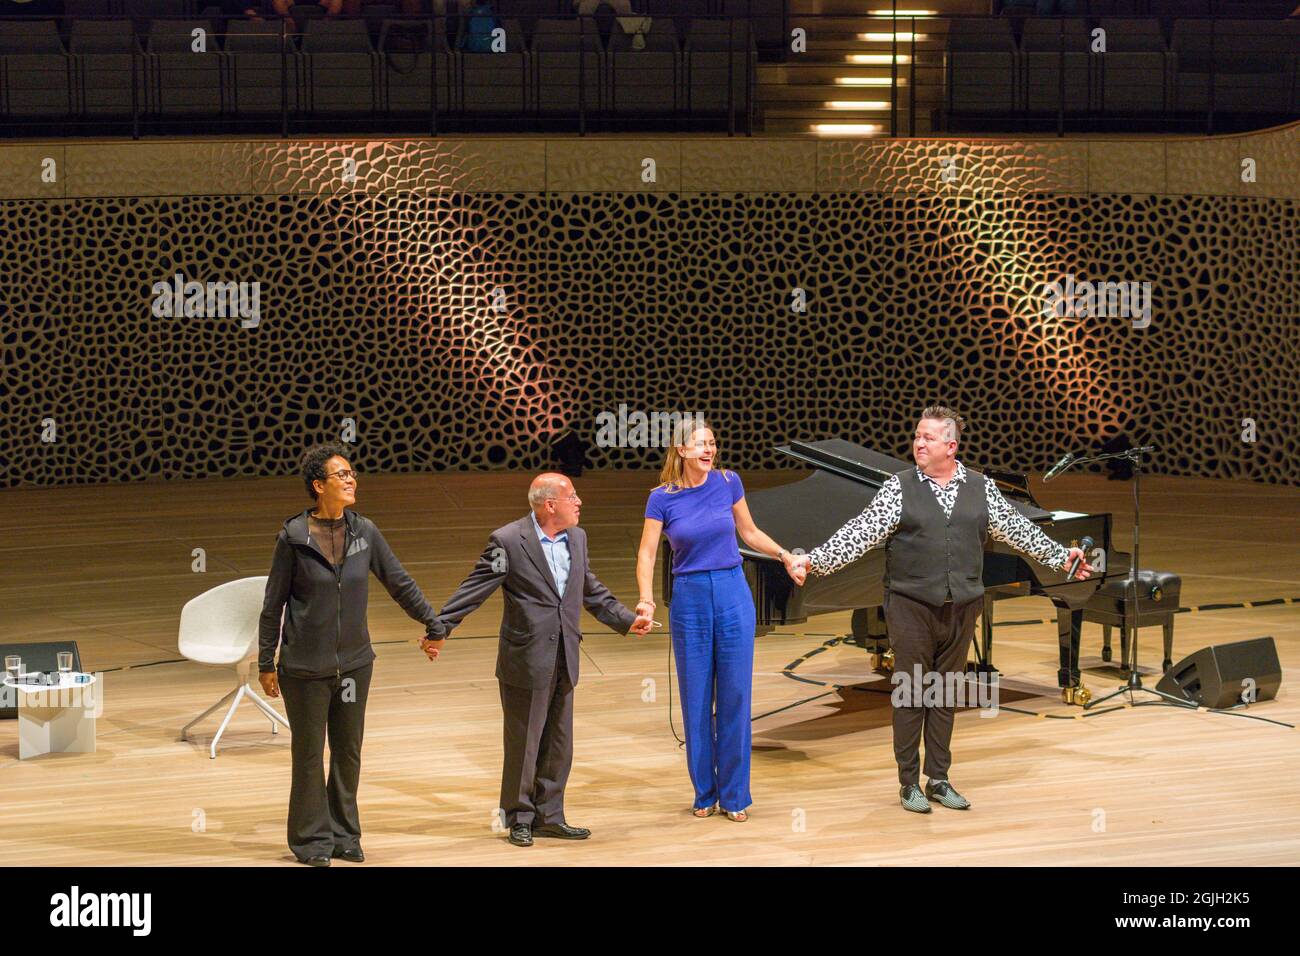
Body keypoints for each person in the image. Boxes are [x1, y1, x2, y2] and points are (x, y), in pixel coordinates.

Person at [790, 406, 1093, 814]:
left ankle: (939, 778)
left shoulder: (981, 488)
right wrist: (816, 560)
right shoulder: (898, 488)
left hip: (963, 605)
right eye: (917, 436)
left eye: (927, 438)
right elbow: (860, 532)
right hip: (911, 606)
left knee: (945, 692)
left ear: (951, 446)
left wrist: (1062, 558)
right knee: (912, 691)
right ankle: (908, 782)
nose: (918, 443)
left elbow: (1020, 532)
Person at [420, 473, 652, 847]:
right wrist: (440, 628)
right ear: (549, 505)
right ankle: (518, 818)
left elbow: (589, 588)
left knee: (559, 742)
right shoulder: (509, 541)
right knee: (525, 742)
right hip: (526, 656)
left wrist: (626, 620)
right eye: (572, 496)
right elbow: (475, 587)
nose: (579, 502)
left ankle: (550, 815)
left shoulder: (577, 537)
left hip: (565, 653)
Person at [258, 443, 444, 866]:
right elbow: (273, 605)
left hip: (354, 666)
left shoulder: (366, 532)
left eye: (352, 473)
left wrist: (433, 623)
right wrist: (265, 662)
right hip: (305, 668)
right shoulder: (293, 537)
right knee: (308, 754)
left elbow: (399, 582)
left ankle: (345, 835)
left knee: (348, 750)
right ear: (318, 485)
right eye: (340, 475)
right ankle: (311, 842)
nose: (350, 479)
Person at [634, 418, 806, 822]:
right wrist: (646, 599)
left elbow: (749, 531)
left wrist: (784, 555)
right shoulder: (661, 498)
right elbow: (647, 554)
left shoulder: (729, 481)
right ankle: (704, 792)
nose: (708, 449)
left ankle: (734, 795)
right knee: (696, 699)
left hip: (732, 592)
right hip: (690, 598)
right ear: (681, 451)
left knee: (734, 696)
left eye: (711, 443)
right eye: (700, 444)